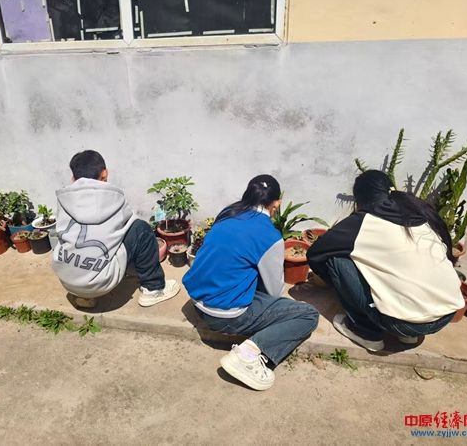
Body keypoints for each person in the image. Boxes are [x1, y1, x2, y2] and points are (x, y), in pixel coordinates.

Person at [183, 175, 319, 391]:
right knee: (307, 315)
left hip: (197, 300)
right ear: (277, 203)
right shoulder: (269, 236)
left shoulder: (228, 214)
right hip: (224, 316)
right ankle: (247, 355)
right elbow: (274, 291)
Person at [307, 170, 464, 352]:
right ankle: (408, 337)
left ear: (359, 199)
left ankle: (366, 332)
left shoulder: (364, 221)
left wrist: (331, 282)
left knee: (336, 260)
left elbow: (316, 252)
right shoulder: (419, 213)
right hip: (445, 315)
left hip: (403, 323)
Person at [52, 150, 180, 308]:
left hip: (68, 281)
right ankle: (153, 288)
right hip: (101, 283)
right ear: (104, 173)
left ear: (73, 178)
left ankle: (84, 297)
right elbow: (128, 225)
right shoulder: (112, 196)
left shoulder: (64, 198)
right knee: (142, 229)